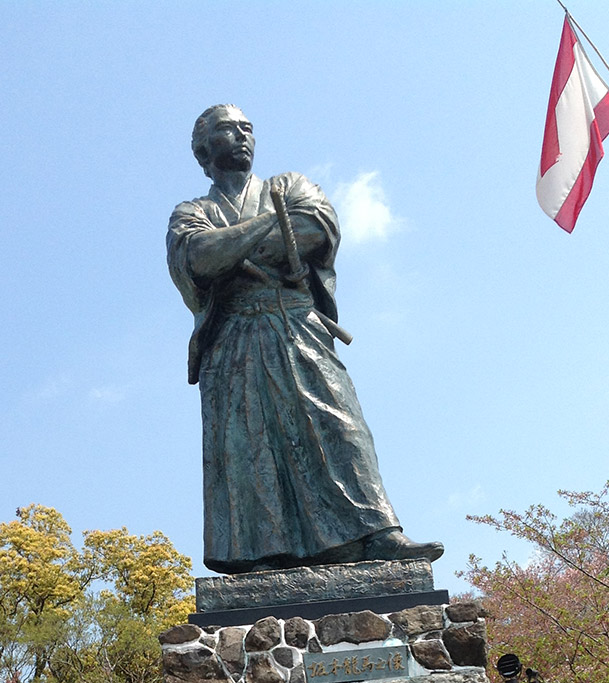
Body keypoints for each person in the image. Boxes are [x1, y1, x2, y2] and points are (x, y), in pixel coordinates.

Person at [166, 105, 443, 575]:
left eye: (247, 128)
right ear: (202, 149)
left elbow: (317, 227)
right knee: (250, 448)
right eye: (227, 130)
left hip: (297, 323)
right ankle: (259, 556)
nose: (241, 136)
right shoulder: (192, 212)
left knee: (339, 426)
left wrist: (237, 246)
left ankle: (375, 534)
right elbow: (199, 257)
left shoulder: (290, 184)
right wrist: (271, 226)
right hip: (233, 341)